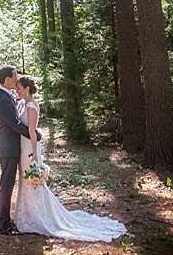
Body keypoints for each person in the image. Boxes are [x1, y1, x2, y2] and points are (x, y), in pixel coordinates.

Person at [13, 75, 126, 242]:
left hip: (30, 148)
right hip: (22, 147)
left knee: (33, 182)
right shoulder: (22, 103)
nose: (17, 91)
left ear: (27, 89)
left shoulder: (31, 106)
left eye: (19, 88)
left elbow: (32, 131)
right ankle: (26, 214)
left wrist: (35, 155)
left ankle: (37, 217)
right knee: (24, 181)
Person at [0, 65, 33, 235]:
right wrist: (35, 135)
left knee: (8, 184)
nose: (17, 79)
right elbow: (14, 124)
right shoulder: (2, 100)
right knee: (6, 185)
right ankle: (4, 224)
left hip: (12, 147)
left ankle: (5, 220)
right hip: (8, 148)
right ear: (8, 79)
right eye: (15, 76)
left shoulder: (7, 97)